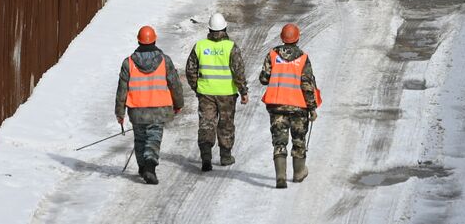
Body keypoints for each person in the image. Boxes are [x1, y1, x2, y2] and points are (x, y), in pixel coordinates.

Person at [115, 25, 184, 185]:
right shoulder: (165, 61)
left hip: (137, 110)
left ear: (139, 40)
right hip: (158, 109)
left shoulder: (129, 63)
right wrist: (178, 103)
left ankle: (142, 167)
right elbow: (175, 84)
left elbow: (122, 90)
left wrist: (120, 112)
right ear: (154, 39)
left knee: (140, 139)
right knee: (153, 137)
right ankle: (150, 167)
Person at [185, 12, 249, 172]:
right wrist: (243, 91)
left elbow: (190, 70)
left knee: (206, 124)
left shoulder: (200, 46)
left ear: (209, 29)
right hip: (227, 94)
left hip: (206, 93)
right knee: (225, 124)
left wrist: (197, 87)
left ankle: (206, 156)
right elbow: (238, 71)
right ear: (225, 28)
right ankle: (226, 157)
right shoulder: (230, 47)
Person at [259, 22, 320, 189]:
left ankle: (280, 176)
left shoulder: (272, 55)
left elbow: (264, 78)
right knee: (299, 139)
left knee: (279, 141)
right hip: (299, 107)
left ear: (282, 38)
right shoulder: (303, 58)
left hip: (277, 105)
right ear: (297, 38)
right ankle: (299, 173)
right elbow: (307, 85)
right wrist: (312, 108)